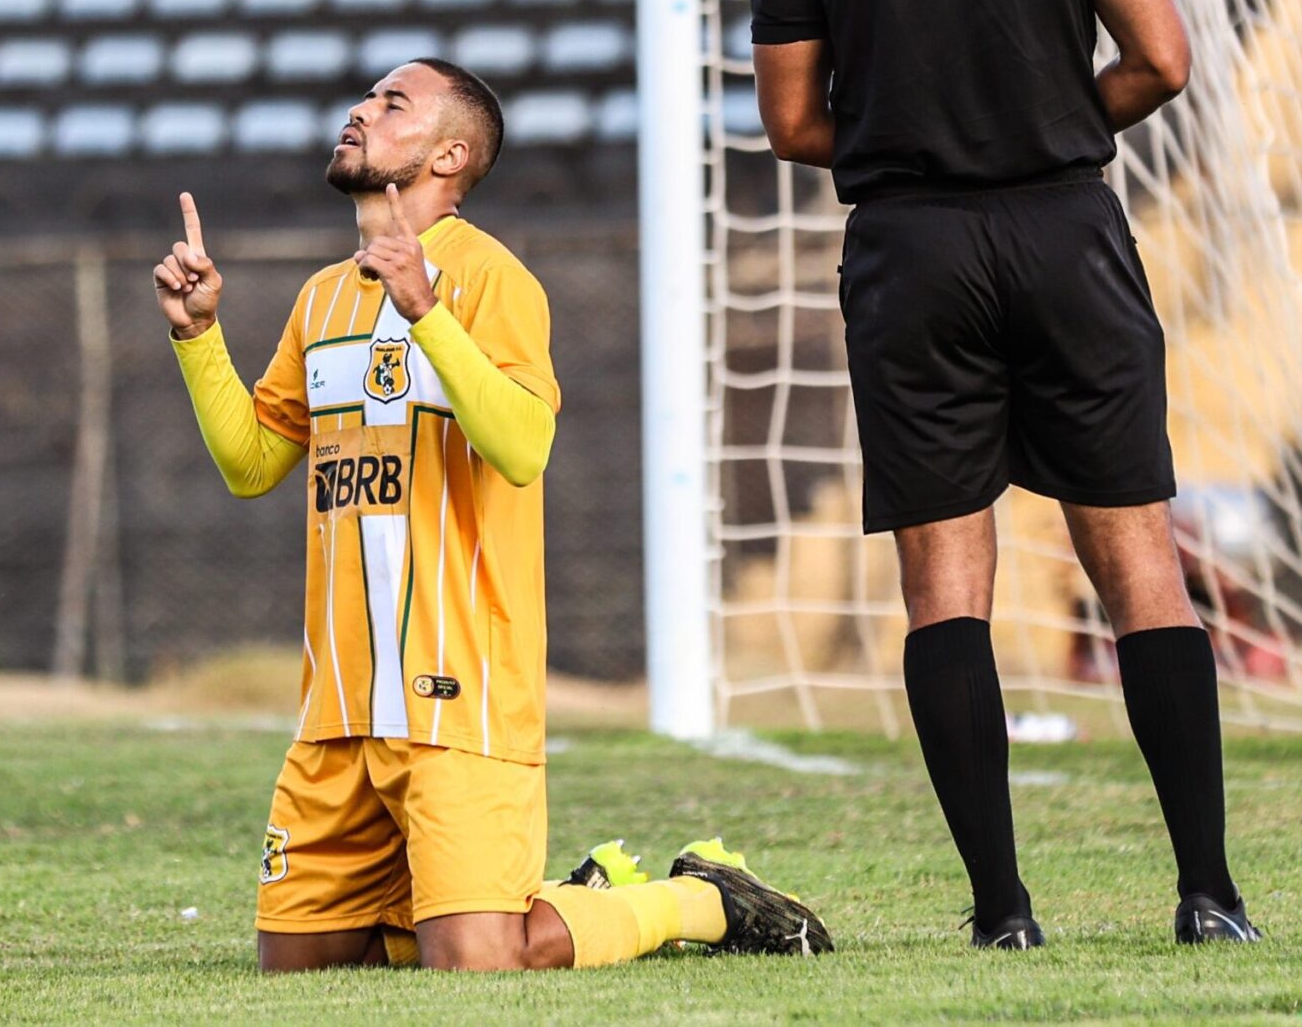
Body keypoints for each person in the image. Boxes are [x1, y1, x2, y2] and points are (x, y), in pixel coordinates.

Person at [156, 58, 834, 970]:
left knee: (479, 963)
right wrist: (199, 335)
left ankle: (690, 898)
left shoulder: (491, 279)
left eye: (391, 103)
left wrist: (426, 313)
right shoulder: (321, 298)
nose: (359, 110)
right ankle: (536, 897)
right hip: (338, 708)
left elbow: (523, 447)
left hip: (458, 696)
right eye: (363, 98)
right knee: (305, 969)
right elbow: (251, 465)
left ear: (450, 154)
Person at [748, 0, 1259, 947]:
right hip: (1065, 227)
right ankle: (1210, 894)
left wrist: (915, 144)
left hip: (911, 246)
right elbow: (1162, 58)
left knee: (943, 587)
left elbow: (792, 120)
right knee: (1141, 567)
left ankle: (1003, 911)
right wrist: (1050, 125)